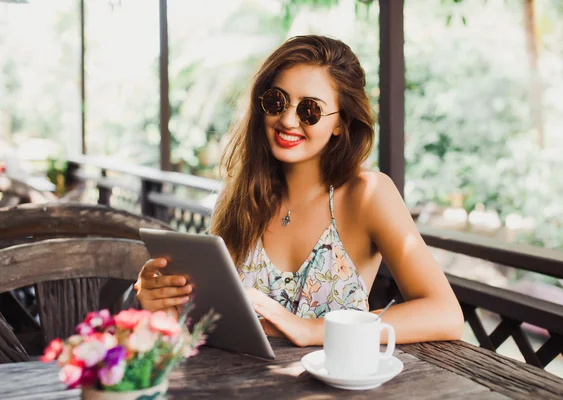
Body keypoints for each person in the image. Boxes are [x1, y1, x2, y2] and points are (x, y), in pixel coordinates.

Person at [136, 35, 463, 347]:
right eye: (277, 101)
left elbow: (445, 314)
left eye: (310, 110)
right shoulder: (239, 198)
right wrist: (163, 303)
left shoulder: (367, 194)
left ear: (340, 123)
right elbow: (213, 324)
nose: (288, 120)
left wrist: (312, 329)